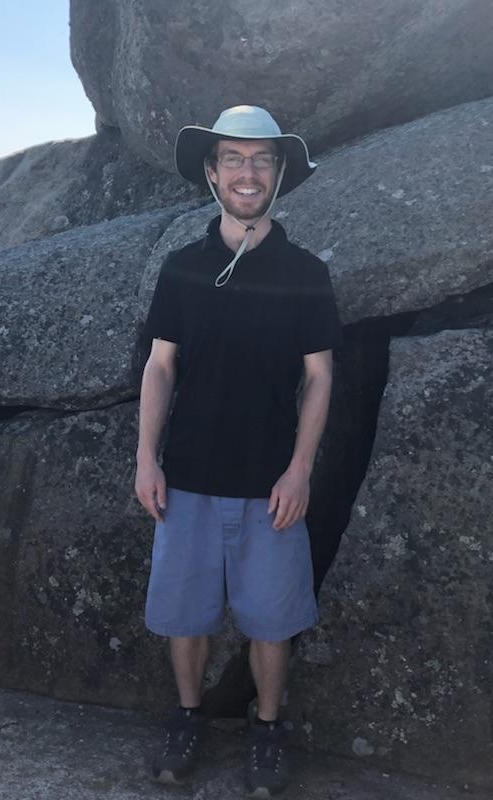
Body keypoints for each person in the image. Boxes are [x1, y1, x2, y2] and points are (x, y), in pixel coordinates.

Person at [135, 105, 342, 797]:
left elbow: (320, 377)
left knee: (272, 623)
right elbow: (160, 366)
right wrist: (146, 459)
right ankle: (187, 716)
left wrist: (300, 470)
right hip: (187, 479)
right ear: (211, 171)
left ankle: (268, 728)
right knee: (185, 617)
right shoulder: (183, 268)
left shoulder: (305, 273)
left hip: (270, 484)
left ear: (278, 174)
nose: (246, 172)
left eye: (261, 160)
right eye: (233, 158)